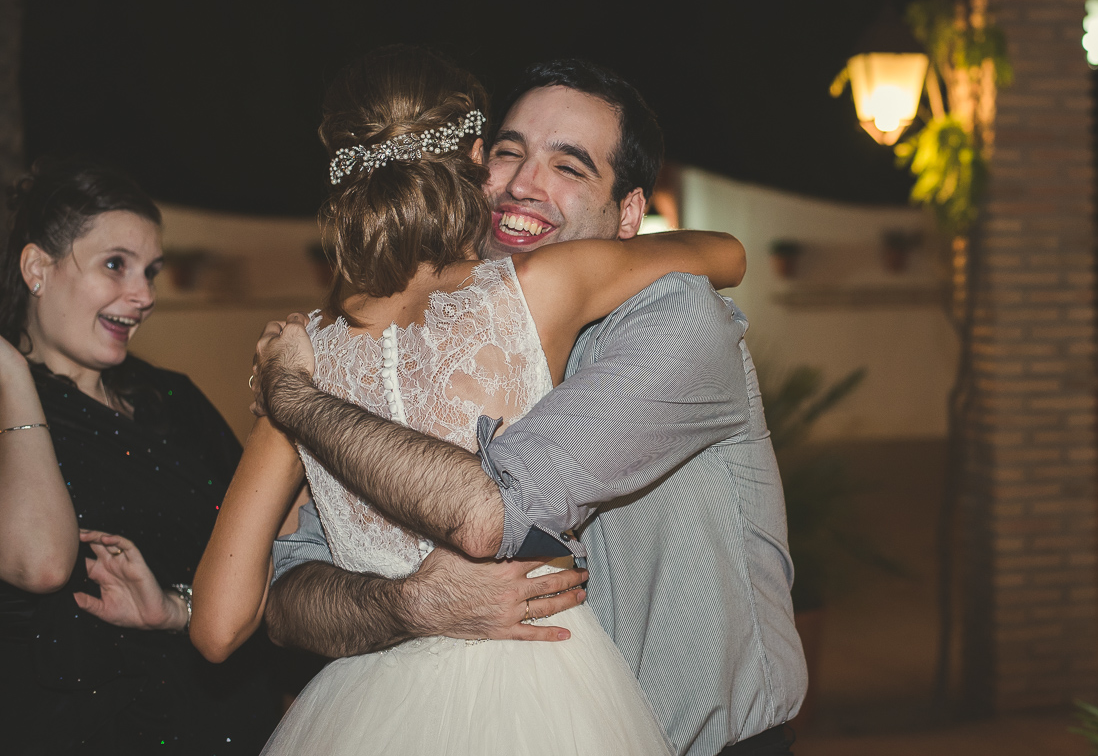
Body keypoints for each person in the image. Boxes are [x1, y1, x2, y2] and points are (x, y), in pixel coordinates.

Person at [191, 45, 746, 755]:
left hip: (363, 714)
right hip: (544, 696)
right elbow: (727, 254)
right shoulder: (544, 287)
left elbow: (216, 626)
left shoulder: (304, 359)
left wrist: (289, 390)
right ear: (478, 159)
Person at [0, 160, 278, 754]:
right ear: (36, 269)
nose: (145, 296)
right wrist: (11, 373)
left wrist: (181, 609)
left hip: (223, 714)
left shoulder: (171, 396)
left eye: (150, 272)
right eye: (115, 265)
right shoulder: (9, 409)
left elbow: (267, 548)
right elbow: (43, 564)